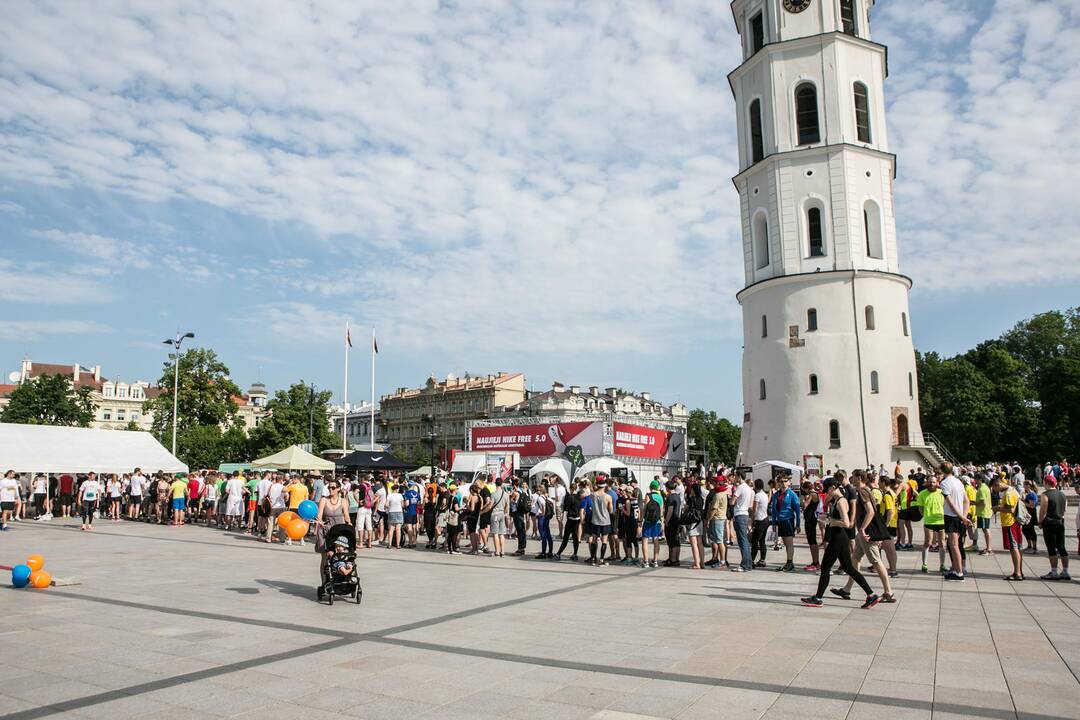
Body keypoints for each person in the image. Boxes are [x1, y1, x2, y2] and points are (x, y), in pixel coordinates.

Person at [802, 480, 880, 609]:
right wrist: (827, 517)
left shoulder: (841, 502)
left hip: (838, 538)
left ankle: (818, 598)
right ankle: (871, 595)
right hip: (838, 537)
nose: (827, 493)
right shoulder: (837, 500)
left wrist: (831, 521)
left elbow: (847, 523)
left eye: (828, 490)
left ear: (833, 488)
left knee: (826, 568)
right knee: (849, 568)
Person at [833, 470, 895, 603]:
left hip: (866, 533)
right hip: (863, 533)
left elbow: (871, 512)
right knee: (854, 559)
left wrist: (862, 529)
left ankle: (888, 592)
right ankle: (847, 589)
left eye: (854, 477)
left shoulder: (862, 491)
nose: (851, 479)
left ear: (859, 478)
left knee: (876, 561)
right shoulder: (867, 490)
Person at [940, 463, 971, 581]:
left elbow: (951, 504)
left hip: (951, 517)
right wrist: (964, 515)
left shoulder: (944, 483)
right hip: (959, 516)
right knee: (955, 544)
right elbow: (966, 501)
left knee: (954, 545)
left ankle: (959, 572)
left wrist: (962, 517)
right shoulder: (959, 482)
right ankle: (955, 568)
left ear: (942, 471)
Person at [1038, 477, 1070, 581]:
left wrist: (1040, 522)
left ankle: (1054, 571)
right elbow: (1064, 509)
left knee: (1051, 547)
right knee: (1061, 547)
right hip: (1060, 522)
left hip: (1049, 523)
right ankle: (1065, 571)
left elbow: (1043, 510)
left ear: (1046, 483)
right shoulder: (1062, 494)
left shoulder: (1045, 495)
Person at [315, 481, 351, 571]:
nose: (330, 489)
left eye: (333, 488)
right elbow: (319, 515)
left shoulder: (343, 501)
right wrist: (320, 521)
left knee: (340, 554)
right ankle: (324, 582)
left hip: (339, 530)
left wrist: (349, 524)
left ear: (338, 489)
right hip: (326, 529)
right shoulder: (324, 500)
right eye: (329, 488)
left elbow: (346, 516)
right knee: (324, 557)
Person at [995, 476, 1024, 581]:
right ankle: (1019, 571)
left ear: (997, 485)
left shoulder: (1008, 493)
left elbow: (1011, 510)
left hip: (1010, 523)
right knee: (1016, 547)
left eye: (995, 489)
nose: (996, 491)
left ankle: (1017, 573)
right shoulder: (1012, 490)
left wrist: (998, 508)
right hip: (1013, 522)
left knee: (1014, 547)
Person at [769, 476, 799, 572]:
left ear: (789, 482)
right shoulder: (776, 494)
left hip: (788, 520)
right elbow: (773, 509)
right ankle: (788, 562)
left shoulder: (792, 494)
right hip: (780, 520)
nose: (783, 483)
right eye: (781, 481)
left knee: (789, 543)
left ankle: (790, 563)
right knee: (786, 543)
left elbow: (797, 510)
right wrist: (773, 523)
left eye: (785, 481)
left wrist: (798, 524)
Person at [916, 475, 945, 574]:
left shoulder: (941, 493)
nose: (931, 484)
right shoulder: (922, 494)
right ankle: (924, 564)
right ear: (927, 483)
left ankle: (942, 565)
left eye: (933, 482)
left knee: (942, 543)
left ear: (937, 483)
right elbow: (920, 507)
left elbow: (946, 505)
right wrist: (925, 515)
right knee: (927, 542)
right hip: (929, 521)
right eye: (930, 482)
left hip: (941, 520)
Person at [731, 474, 754, 572]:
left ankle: (744, 564)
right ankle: (748, 563)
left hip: (739, 514)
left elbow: (732, 502)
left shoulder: (740, 487)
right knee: (744, 540)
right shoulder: (749, 488)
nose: (735, 479)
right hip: (745, 514)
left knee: (742, 541)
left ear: (739, 477)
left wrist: (732, 499)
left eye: (736, 477)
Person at [705, 476, 728, 569]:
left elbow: (713, 509)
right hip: (721, 518)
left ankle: (722, 561)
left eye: (715, 482)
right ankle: (722, 560)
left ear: (718, 483)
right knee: (719, 540)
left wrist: (708, 520)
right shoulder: (724, 493)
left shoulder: (718, 495)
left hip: (717, 519)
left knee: (719, 541)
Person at [640, 479, 664, 568]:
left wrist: (640, 520)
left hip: (648, 521)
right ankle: (655, 561)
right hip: (657, 521)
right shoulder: (660, 497)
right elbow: (661, 511)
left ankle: (646, 561)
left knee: (645, 540)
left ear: (650, 487)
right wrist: (662, 522)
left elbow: (644, 509)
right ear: (657, 487)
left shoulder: (648, 495)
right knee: (656, 539)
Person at [749, 479, 769, 568]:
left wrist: (752, 520)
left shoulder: (757, 496)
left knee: (754, 541)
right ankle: (762, 560)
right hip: (765, 518)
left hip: (759, 520)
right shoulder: (765, 494)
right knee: (762, 541)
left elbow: (755, 509)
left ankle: (751, 560)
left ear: (755, 486)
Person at [662, 479, 683, 567]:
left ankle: (672, 559)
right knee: (676, 540)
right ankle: (676, 559)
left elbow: (670, 510)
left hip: (671, 521)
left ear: (667, 488)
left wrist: (666, 521)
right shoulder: (677, 496)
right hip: (677, 519)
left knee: (671, 541)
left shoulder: (670, 497)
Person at [489, 478, 510, 557]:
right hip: (502, 513)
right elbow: (507, 506)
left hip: (495, 514)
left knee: (495, 533)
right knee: (502, 533)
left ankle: (497, 551)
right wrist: (505, 513)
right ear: (502, 484)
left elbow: (491, 505)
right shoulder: (506, 494)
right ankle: (503, 551)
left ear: (495, 484)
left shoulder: (493, 494)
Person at [973, 474, 993, 555]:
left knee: (986, 530)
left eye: (975, 479)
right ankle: (988, 547)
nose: (975, 481)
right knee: (985, 530)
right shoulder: (985, 487)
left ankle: (989, 548)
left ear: (979, 479)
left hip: (983, 512)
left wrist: (974, 503)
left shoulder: (981, 489)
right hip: (985, 511)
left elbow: (983, 502)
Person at [510, 478, 530, 556]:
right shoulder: (523, 492)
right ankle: (522, 547)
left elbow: (511, 501)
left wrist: (511, 495)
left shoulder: (515, 493)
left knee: (519, 531)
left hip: (516, 513)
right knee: (522, 530)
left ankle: (520, 549)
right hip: (521, 513)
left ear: (514, 485)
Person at [1021, 480, 1039, 554]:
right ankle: (1029, 546)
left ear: (1028, 485)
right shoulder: (1028, 493)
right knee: (1025, 530)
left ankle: (1034, 547)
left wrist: (1023, 502)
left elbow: (1032, 506)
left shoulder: (1032, 494)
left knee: (1030, 530)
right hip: (1027, 515)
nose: (1023, 486)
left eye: (1024, 485)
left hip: (1030, 515)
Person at [385, 483, 404, 549]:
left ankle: (389, 544)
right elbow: (402, 505)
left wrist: (390, 506)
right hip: (399, 512)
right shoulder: (400, 495)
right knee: (398, 529)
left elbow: (386, 505)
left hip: (391, 512)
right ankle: (398, 544)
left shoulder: (389, 496)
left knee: (391, 529)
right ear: (397, 489)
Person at [403, 480, 421, 549]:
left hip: (409, 512)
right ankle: (414, 542)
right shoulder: (417, 494)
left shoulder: (407, 493)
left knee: (409, 528)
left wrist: (403, 506)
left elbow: (407, 503)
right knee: (414, 528)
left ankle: (410, 543)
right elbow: (419, 503)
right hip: (415, 512)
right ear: (413, 486)